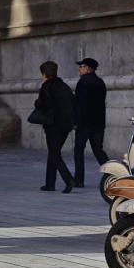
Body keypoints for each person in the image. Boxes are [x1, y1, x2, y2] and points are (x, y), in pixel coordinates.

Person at [35, 61, 75, 193]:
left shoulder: (46, 87)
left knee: (54, 153)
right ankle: (50, 183)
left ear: (44, 74)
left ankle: (68, 178)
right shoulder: (64, 87)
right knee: (54, 151)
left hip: (53, 125)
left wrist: (37, 103)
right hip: (66, 125)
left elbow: (41, 104)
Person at [72, 57, 110, 188]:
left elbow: (79, 104)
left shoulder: (83, 82)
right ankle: (113, 174)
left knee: (78, 151)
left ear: (88, 68)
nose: (79, 69)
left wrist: (76, 121)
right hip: (98, 122)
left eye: (81, 66)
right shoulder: (100, 82)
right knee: (98, 150)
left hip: (84, 123)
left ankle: (79, 180)